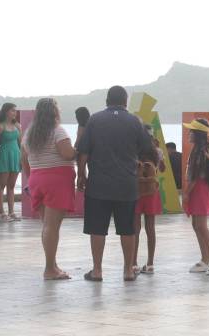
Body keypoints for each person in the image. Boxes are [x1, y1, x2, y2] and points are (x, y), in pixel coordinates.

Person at [77, 86, 155, 282]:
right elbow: (148, 148)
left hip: (98, 185)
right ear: (125, 101)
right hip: (127, 185)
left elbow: (83, 151)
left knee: (97, 229)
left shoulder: (94, 120)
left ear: (107, 100)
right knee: (127, 228)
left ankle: (97, 271)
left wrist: (81, 175)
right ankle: (128, 270)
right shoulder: (135, 121)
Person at [21, 98, 77, 280]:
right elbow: (67, 154)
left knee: (47, 225)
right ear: (54, 112)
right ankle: (49, 269)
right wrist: (78, 148)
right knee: (52, 226)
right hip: (56, 181)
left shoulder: (29, 134)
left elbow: (24, 160)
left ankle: (52, 265)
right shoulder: (57, 131)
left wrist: (31, 180)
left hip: (37, 179)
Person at [183, 118, 209, 274]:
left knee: (201, 226)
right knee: (196, 225)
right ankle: (205, 259)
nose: (189, 133)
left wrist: (186, 193)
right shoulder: (201, 150)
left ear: (198, 134)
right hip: (201, 190)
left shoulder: (199, 152)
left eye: (192, 131)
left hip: (200, 190)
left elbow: (195, 176)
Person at [132, 126, 166, 275]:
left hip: (136, 191)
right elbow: (163, 169)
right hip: (152, 192)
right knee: (150, 228)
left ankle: (133, 263)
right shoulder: (157, 151)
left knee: (135, 228)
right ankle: (150, 263)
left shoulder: (133, 150)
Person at [0, 103, 22, 222]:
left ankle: (11, 212)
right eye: (12, 110)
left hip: (16, 156)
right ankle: (1, 213)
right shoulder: (0, 126)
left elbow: (21, 143)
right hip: (4, 155)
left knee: (11, 186)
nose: (15, 113)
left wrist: (22, 158)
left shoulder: (18, 126)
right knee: (1, 185)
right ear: (6, 111)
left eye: (15, 110)